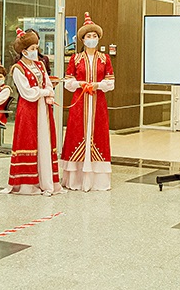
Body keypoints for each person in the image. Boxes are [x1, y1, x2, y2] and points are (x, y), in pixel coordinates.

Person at [61, 13, 114, 192]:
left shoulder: (105, 59)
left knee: (98, 134)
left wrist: (97, 85)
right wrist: (81, 84)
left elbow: (110, 82)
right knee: (77, 133)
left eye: (94, 36)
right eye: (88, 36)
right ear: (83, 39)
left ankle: (97, 181)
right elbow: (68, 81)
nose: (92, 39)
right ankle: (76, 179)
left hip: (98, 103)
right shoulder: (75, 59)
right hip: (79, 102)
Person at [7, 29, 63, 195]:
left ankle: (46, 180)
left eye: (36, 47)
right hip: (28, 110)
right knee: (30, 140)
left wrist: (46, 91)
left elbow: (47, 83)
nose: (35, 51)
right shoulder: (18, 69)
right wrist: (45, 92)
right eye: (32, 48)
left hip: (43, 109)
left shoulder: (40, 64)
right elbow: (27, 93)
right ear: (24, 51)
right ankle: (29, 183)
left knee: (45, 141)